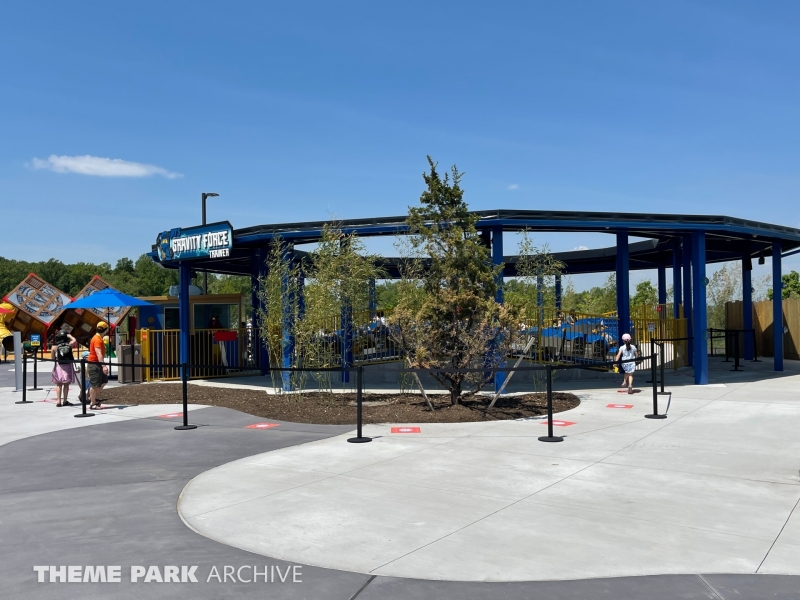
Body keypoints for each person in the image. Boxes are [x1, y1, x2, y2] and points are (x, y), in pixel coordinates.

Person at [87, 321, 109, 410]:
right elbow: (98, 353)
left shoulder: (99, 338)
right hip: (94, 364)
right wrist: (104, 366)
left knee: (104, 381)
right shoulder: (97, 339)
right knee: (95, 385)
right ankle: (92, 403)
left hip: (98, 363)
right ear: (106, 330)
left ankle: (92, 398)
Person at [51, 329, 77, 406]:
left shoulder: (54, 347)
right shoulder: (69, 345)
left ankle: (58, 401)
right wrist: (70, 336)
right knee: (66, 384)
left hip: (58, 366)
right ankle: (65, 401)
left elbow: (53, 358)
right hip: (68, 366)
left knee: (59, 384)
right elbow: (74, 340)